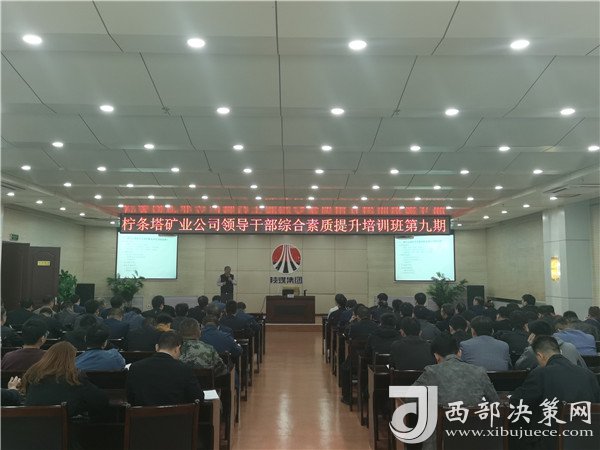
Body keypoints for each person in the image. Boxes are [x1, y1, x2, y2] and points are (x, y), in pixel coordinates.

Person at [510, 336, 600, 450]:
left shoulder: (540, 373)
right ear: (560, 351)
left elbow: (517, 403)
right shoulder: (588, 374)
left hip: (551, 442)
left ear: (540, 356)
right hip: (588, 440)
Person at [412, 334, 499, 450]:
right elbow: (495, 402)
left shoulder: (431, 372)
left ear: (436, 356)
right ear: (459, 352)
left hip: (441, 441)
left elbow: (410, 398)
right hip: (477, 439)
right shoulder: (479, 371)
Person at [21, 341, 109, 417]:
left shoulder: (33, 376)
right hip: (63, 429)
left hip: (32, 427)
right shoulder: (74, 379)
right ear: (71, 360)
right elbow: (101, 400)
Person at [126, 331, 204, 406]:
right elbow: (198, 398)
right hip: (177, 415)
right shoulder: (184, 369)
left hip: (143, 415)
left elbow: (130, 399)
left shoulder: (135, 368)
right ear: (177, 349)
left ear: (156, 347)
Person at [515, 320, 586, 370]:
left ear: (532, 336)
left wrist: (531, 345)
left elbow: (518, 367)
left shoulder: (532, 350)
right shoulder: (570, 347)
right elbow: (583, 367)